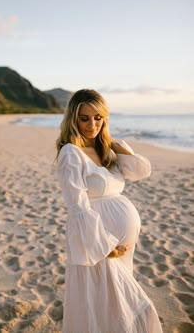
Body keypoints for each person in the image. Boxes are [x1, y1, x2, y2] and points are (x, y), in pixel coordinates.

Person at [56, 89, 163, 333]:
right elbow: (77, 204)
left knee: (115, 308)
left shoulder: (108, 151)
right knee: (124, 306)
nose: (92, 124)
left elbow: (140, 171)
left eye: (98, 118)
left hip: (120, 248)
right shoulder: (71, 153)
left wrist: (114, 143)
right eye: (84, 118)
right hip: (98, 245)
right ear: (73, 119)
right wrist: (104, 248)